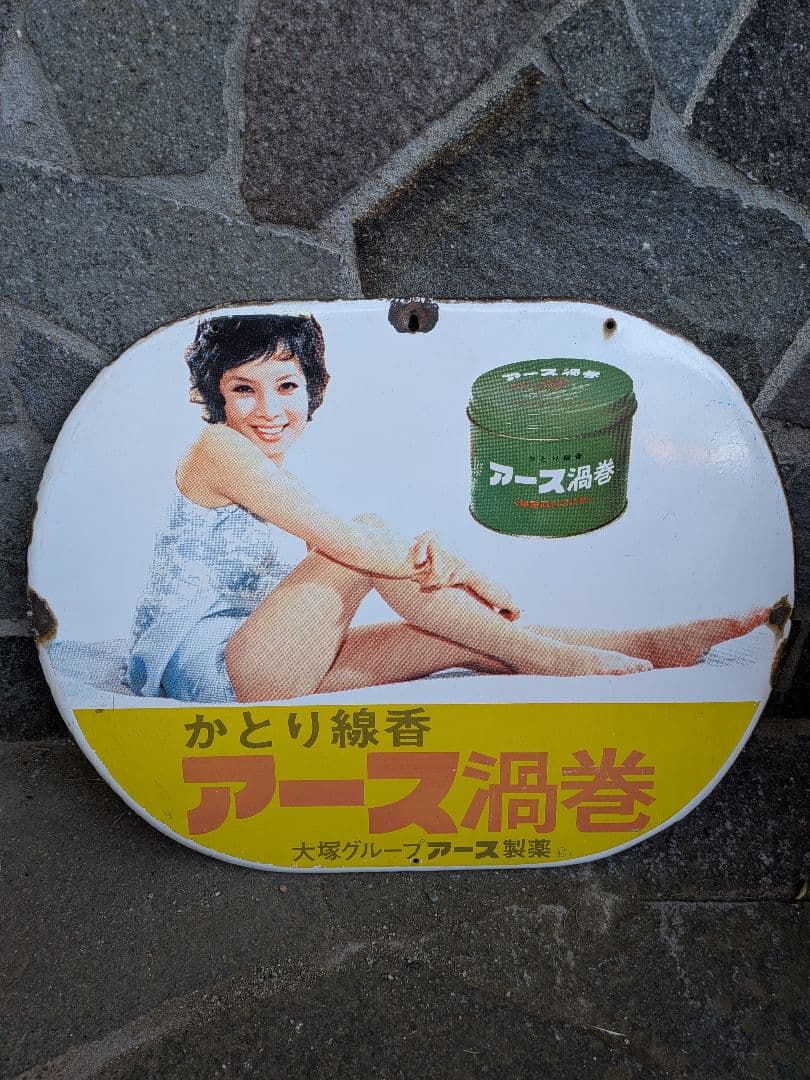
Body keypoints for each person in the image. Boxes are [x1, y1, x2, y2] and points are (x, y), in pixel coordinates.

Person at [127, 313, 769, 703]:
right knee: (362, 536)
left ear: (310, 390)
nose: (269, 410)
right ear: (217, 396)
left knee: (446, 640)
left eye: (286, 386)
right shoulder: (219, 449)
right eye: (244, 389)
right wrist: (471, 575)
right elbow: (344, 546)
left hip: (265, 658)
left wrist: (441, 573)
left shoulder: (263, 467)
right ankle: (545, 656)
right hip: (215, 668)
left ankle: (649, 645)